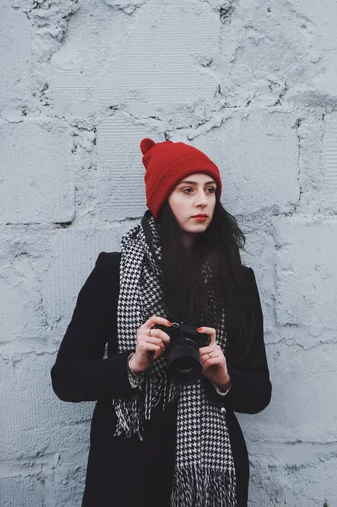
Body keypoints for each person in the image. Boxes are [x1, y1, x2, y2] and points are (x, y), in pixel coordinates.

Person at [51, 138, 272, 507]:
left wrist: (224, 377)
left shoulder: (236, 278)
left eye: (210, 189)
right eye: (187, 190)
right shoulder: (114, 272)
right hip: (125, 466)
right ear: (161, 198)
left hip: (210, 470)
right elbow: (65, 379)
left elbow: (259, 393)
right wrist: (132, 364)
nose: (203, 201)